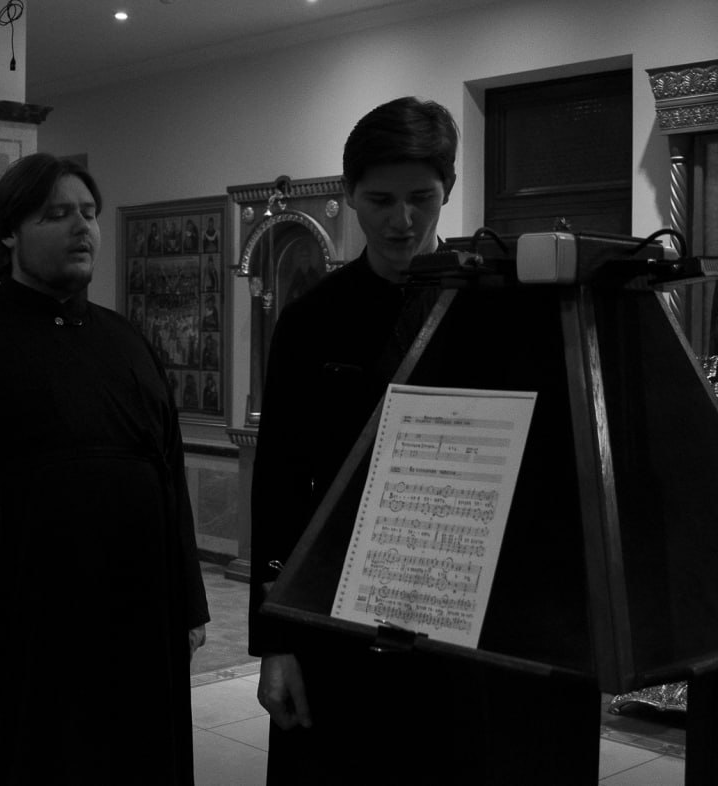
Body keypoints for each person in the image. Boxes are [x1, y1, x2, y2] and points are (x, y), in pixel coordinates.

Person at [249, 97, 596, 783]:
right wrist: (275, 642)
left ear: (450, 189)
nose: (402, 221)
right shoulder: (311, 321)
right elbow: (281, 488)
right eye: (380, 200)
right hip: (337, 612)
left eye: (421, 199)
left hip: (470, 617)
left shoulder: (504, 307)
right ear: (350, 193)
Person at [0, 152, 209, 785]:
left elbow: (169, 473)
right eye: (57, 214)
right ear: (9, 234)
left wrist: (188, 601)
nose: (82, 228)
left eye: (90, 213)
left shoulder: (127, 341)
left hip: (137, 618)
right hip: (19, 628)